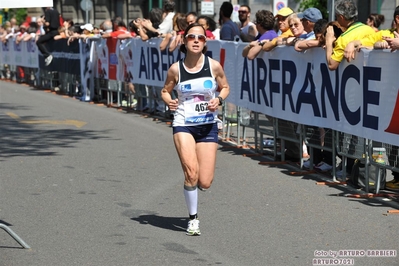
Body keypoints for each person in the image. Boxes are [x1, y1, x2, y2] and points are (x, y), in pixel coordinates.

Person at [161, 23, 230, 236]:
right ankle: (193, 219)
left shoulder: (214, 66)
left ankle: (195, 190)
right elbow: (165, 90)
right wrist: (169, 101)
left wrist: (218, 99)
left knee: (205, 181)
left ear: (205, 42)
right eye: (192, 37)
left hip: (207, 125)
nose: (196, 40)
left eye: (200, 37)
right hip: (183, 124)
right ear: (184, 41)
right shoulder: (176, 69)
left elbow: (225, 87)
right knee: (191, 173)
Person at [324, 0, 375, 71]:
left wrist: (328, 42)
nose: (336, 19)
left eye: (336, 16)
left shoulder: (343, 39)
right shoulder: (369, 29)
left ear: (341, 17)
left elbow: (331, 65)